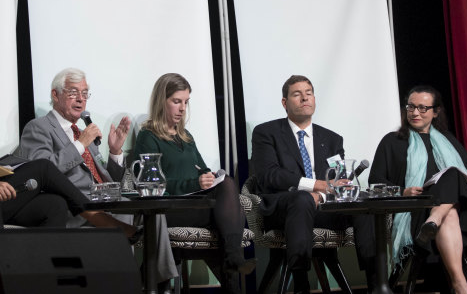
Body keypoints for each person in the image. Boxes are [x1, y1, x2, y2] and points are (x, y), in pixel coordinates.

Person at [16, 67, 177, 287]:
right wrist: (81, 143)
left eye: (85, 93)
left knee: (154, 210)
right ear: (55, 95)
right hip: (76, 208)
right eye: (73, 92)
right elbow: (41, 172)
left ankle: (159, 282)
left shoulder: (82, 131)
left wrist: (115, 152)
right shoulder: (39, 128)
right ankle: (125, 285)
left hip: (105, 200)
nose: (81, 100)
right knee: (123, 211)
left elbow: (109, 180)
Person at [250, 75, 376, 293]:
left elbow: (338, 183)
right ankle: (301, 283)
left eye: (308, 93)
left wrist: (326, 194)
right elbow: (268, 176)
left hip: (326, 208)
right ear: (284, 102)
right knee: (302, 199)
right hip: (286, 209)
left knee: (362, 202)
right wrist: (315, 186)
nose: (304, 98)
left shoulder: (333, 139)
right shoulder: (266, 133)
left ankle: (375, 281)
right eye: (297, 94)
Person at [133, 73, 255, 293]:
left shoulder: (186, 136)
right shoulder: (148, 135)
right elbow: (152, 183)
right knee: (226, 218)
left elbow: (202, 169)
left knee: (225, 184)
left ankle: (232, 263)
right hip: (167, 209)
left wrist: (209, 177)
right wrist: (195, 183)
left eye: (186, 102)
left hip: (195, 207)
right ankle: (234, 259)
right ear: (162, 101)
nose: (182, 108)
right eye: (177, 101)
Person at [369, 85, 467, 294]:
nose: (415, 113)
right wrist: (403, 192)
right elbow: (375, 181)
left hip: (438, 215)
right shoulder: (392, 141)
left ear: (435, 112)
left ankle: (436, 219)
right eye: (411, 107)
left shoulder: (448, 140)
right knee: (451, 210)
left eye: (422, 108)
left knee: (453, 176)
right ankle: (460, 284)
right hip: (414, 211)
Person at [1, 158, 137, 239]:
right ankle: (97, 216)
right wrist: (80, 144)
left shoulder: (89, 133)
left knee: (54, 204)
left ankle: (48, 276)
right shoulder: (37, 127)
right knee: (43, 167)